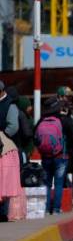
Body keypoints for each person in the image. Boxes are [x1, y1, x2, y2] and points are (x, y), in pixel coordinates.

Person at [34, 98, 73, 215]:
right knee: (58, 183)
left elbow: (35, 137)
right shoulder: (63, 120)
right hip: (60, 156)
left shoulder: (41, 121)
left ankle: (47, 209)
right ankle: (56, 209)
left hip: (46, 156)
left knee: (47, 183)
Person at [0, 80, 22, 222]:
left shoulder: (10, 105)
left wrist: (2, 136)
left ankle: (3, 213)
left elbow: (13, 126)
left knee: (5, 180)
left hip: (4, 147)